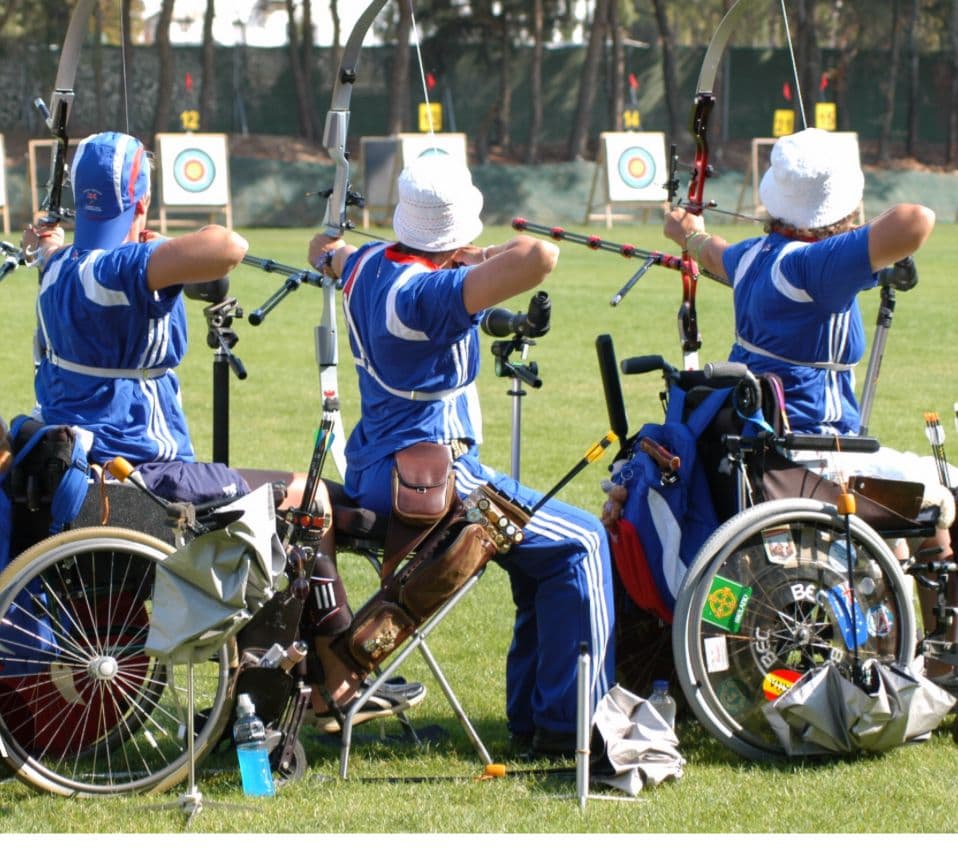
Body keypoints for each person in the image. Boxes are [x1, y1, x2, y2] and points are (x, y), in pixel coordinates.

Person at [22, 130, 424, 729]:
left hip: (93, 471)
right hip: (146, 482)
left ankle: (314, 672)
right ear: (139, 201)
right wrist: (152, 243)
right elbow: (226, 246)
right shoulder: (120, 267)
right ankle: (336, 674)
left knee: (305, 500)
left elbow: (61, 251)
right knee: (307, 497)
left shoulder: (58, 269)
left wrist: (70, 240)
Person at [307, 152, 615, 756]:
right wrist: (473, 260)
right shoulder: (429, 294)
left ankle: (536, 717)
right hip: (434, 478)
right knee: (582, 544)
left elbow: (322, 246)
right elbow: (539, 255)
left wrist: (462, 255)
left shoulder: (366, 262)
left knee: (542, 558)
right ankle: (574, 726)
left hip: (373, 466)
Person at [661, 127, 957, 674]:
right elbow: (917, 219)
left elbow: (715, 254)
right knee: (949, 491)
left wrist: (688, 234)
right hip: (818, 460)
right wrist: (850, 241)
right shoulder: (812, 266)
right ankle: (944, 661)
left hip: (774, 454)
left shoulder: (756, 257)